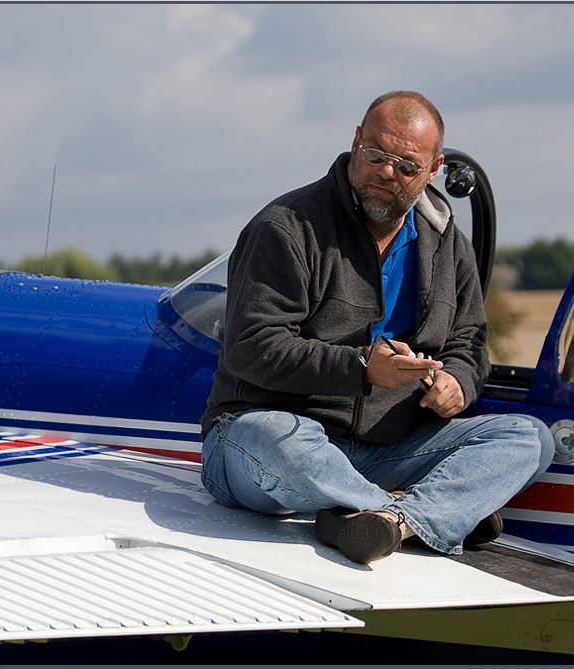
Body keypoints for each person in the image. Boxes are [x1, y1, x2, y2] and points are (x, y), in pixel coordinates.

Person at [199, 90, 555, 564]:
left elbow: (469, 344)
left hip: (384, 451)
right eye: (375, 155)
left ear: (433, 170)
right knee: (276, 439)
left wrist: (458, 384)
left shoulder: (449, 245)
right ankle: (427, 516)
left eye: (406, 165)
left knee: (529, 437)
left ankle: (373, 517)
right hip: (267, 437)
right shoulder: (285, 227)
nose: (386, 172)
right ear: (355, 142)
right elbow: (251, 347)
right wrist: (363, 366)